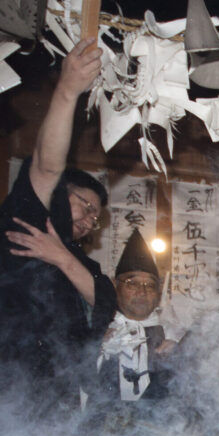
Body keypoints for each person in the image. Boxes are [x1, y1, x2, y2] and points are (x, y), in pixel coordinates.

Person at [0, 38, 116, 415]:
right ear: (61, 193)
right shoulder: (30, 220)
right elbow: (47, 166)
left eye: (95, 218)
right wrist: (67, 91)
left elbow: (105, 300)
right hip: (9, 385)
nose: (89, 220)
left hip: (56, 402)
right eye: (86, 206)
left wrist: (62, 257)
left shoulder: (82, 261)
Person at [89, 229, 181, 406]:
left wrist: (178, 355)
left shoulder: (171, 331)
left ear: (158, 292)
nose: (142, 291)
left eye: (150, 285)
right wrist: (97, 346)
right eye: (132, 283)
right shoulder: (98, 327)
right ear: (115, 285)